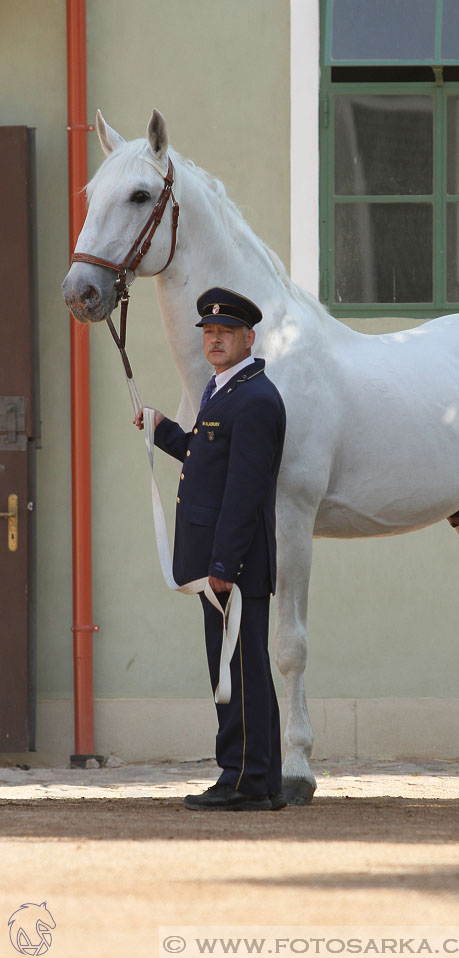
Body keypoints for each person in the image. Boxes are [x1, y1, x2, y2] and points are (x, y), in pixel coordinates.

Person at [134, 287, 286, 811]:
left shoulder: (256, 399)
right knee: (245, 670)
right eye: (209, 332)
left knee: (238, 673)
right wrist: (162, 430)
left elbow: (244, 491)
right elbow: (205, 457)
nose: (215, 339)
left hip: (233, 565)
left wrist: (224, 564)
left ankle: (241, 779)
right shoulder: (223, 391)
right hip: (222, 561)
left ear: (248, 338)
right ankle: (261, 780)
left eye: (225, 332)